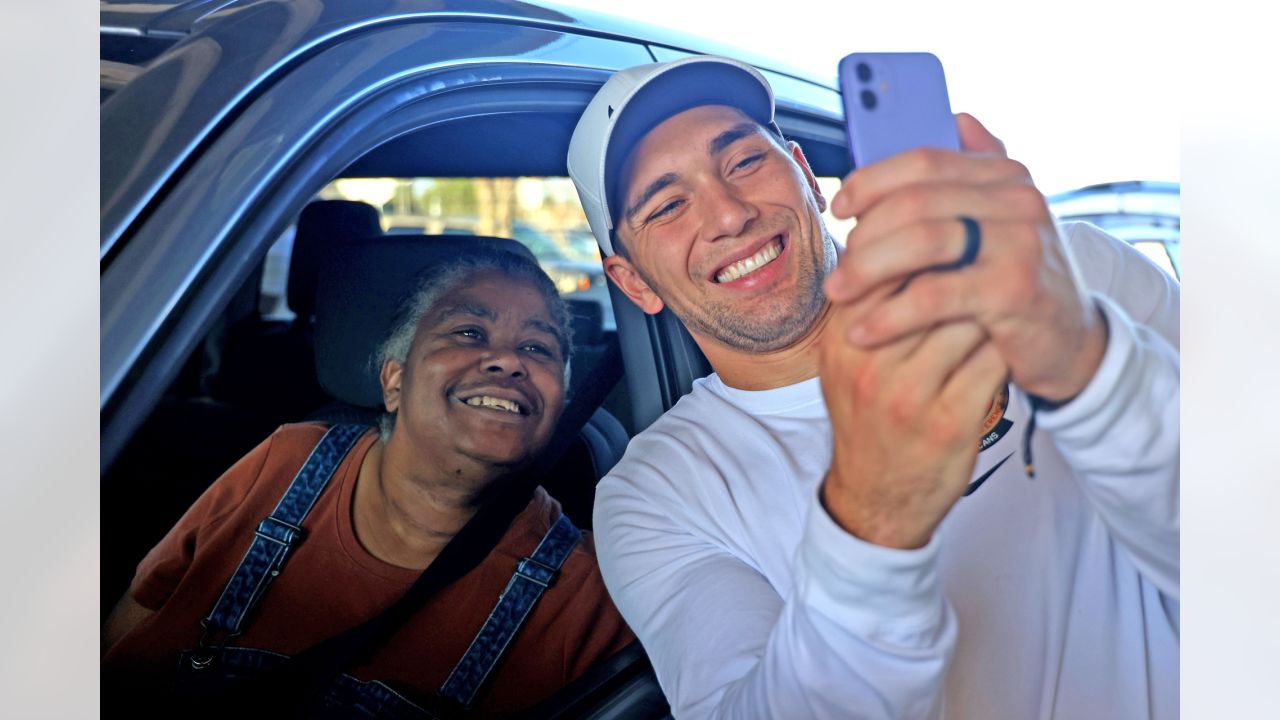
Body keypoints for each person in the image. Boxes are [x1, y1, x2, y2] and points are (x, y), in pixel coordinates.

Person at [567, 56, 1178, 718]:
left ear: (805, 173)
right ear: (631, 282)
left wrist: (1083, 359)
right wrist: (868, 520)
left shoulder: (1065, 272)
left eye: (744, 162)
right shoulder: (657, 494)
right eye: (668, 205)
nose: (728, 215)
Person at [102, 248, 633, 717]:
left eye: (539, 348)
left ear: (559, 402)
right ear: (395, 380)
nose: (508, 360)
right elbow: (138, 619)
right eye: (469, 332)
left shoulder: (587, 596)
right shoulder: (284, 463)